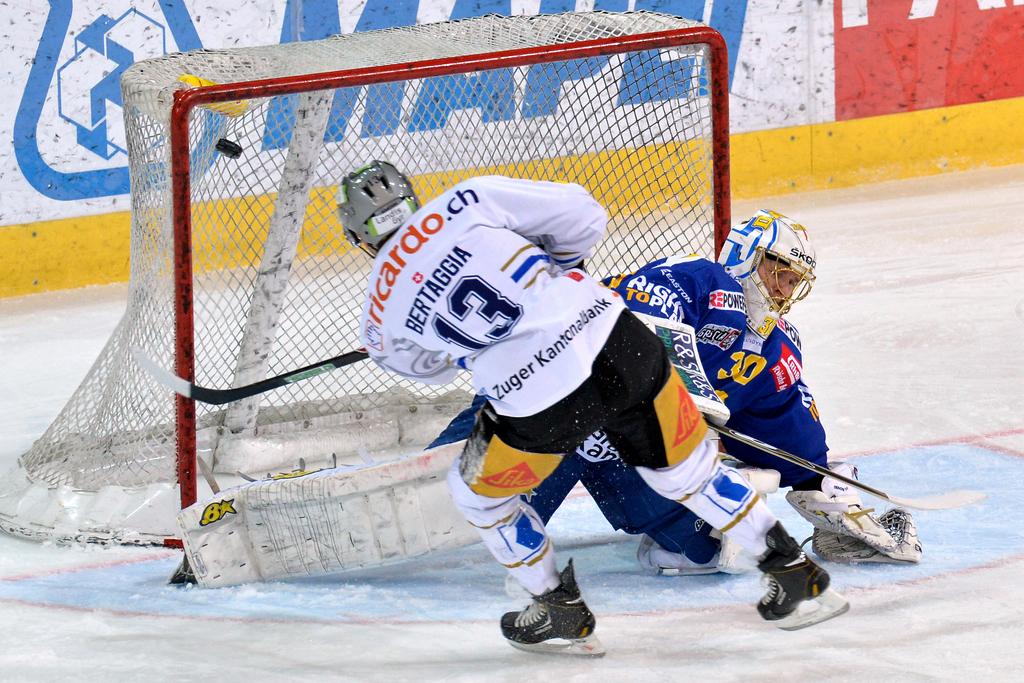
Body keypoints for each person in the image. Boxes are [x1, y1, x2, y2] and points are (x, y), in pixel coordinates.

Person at [338, 162, 848, 656]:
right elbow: (584, 216)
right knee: (685, 471)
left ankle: (558, 608)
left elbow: (435, 370)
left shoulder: (378, 318)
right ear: (411, 196)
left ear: (359, 239)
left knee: (473, 493)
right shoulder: (468, 200)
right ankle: (793, 574)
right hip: (618, 339)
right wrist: (554, 272)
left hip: (535, 396)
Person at [522, 210, 922, 573]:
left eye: (794, 282)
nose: (783, 290)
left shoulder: (774, 349)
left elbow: (789, 432)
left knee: (705, 552)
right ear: (746, 256)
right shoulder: (700, 281)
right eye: (779, 272)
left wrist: (820, 486)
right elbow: (635, 322)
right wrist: (681, 394)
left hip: (631, 456)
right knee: (480, 517)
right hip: (560, 410)